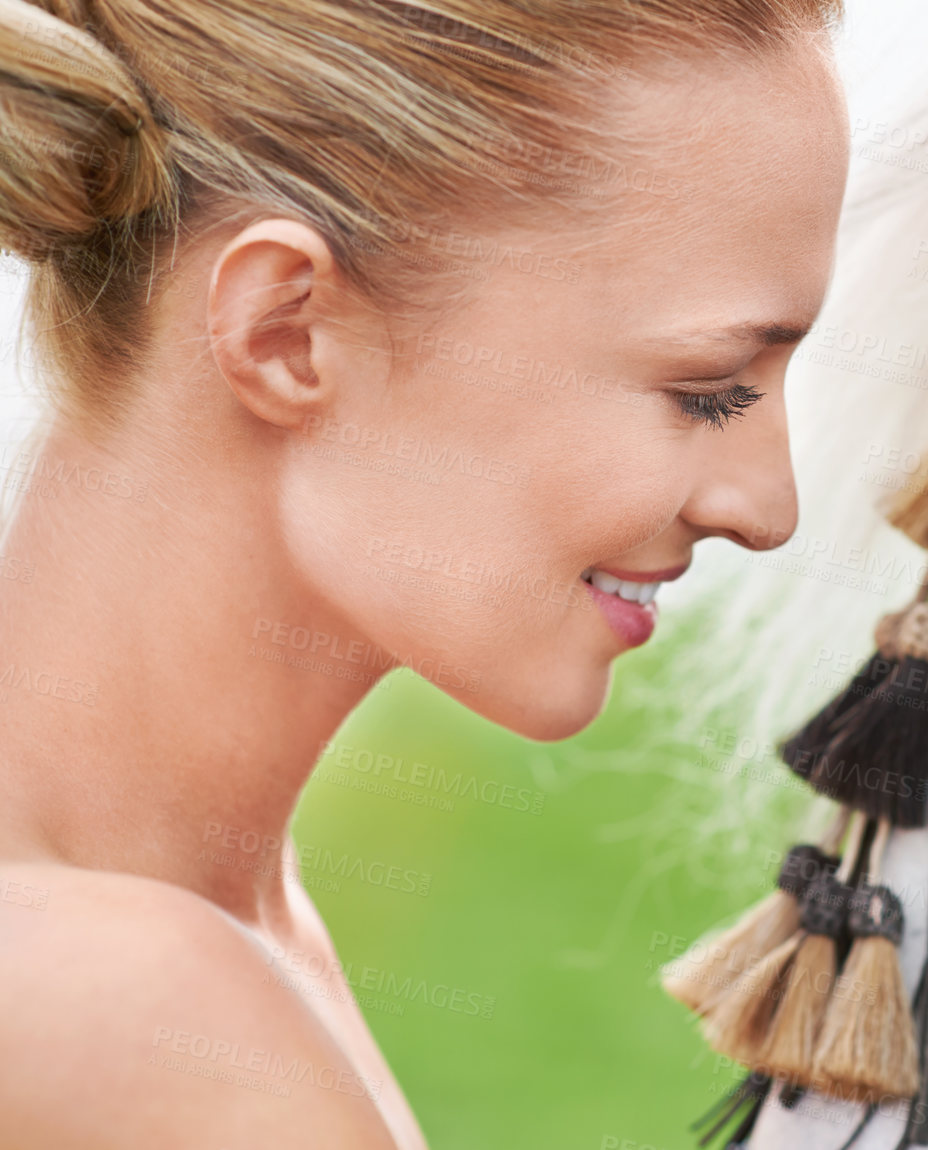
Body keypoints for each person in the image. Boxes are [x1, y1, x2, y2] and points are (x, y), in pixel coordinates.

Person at [0, 0, 847, 1144]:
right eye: (703, 388)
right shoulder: (133, 1004)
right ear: (287, 331)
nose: (765, 509)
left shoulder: (216, 925)